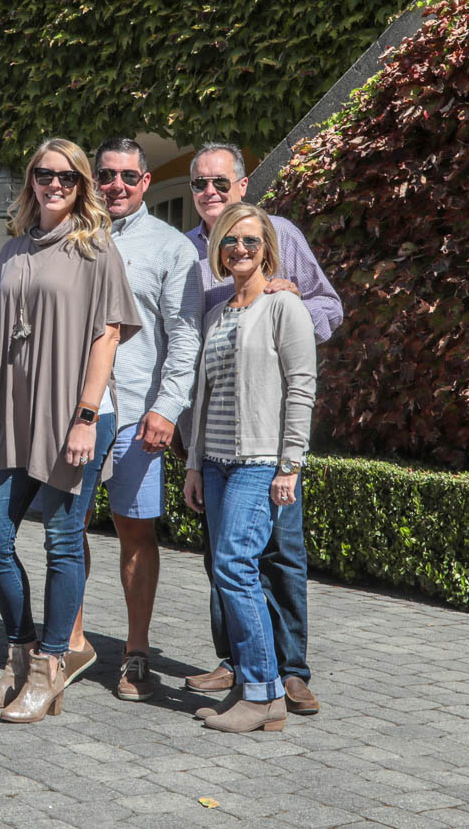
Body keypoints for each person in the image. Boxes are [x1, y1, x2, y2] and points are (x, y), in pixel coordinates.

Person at [0, 137, 139, 724]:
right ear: (31, 180)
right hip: (14, 415)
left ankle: (51, 664)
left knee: (62, 541)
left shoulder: (97, 249)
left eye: (68, 176)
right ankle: (22, 655)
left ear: (83, 184)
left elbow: (106, 337)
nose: (55, 184)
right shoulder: (11, 248)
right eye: (44, 174)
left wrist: (87, 417)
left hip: (75, 418)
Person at [181, 143, 344, 717]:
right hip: (216, 444)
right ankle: (237, 662)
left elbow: (327, 309)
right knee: (224, 559)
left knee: (275, 555)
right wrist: (193, 455)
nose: (209, 194)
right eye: (199, 184)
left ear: (243, 184)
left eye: (220, 183)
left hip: (264, 446)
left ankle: (286, 674)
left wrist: (292, 305)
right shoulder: (190, 257)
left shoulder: (278, 236)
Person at [63, 137, 203, 702]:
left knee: (135, 529)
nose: (115, 185)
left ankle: (136, 650)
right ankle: (67, 640)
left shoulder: (171, 247)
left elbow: (185, 335)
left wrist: (168, 407)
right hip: (72, 411)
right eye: (106, 175)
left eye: (127, 175)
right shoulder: (71, 235)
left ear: (146, 182)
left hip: (136, 414)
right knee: (65, 529)